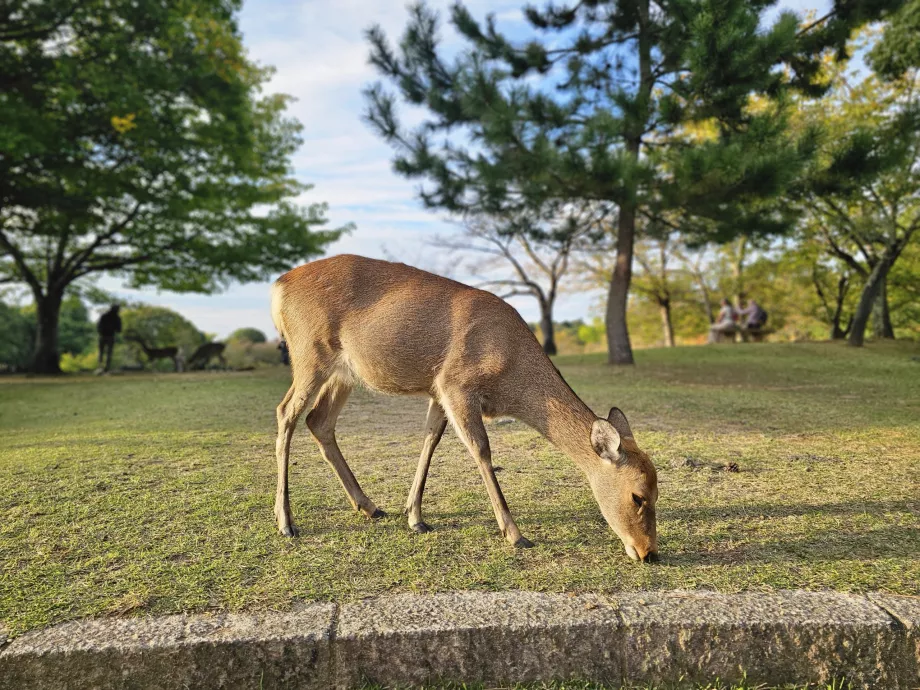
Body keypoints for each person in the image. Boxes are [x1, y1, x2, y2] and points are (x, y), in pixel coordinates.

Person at [96, 304, 122, 374]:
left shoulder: (104, 316)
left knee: (102, 352)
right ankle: (105, 367)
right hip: (109, 336)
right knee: (108, 353)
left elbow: (99, 326)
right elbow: (119, 329)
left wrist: (101, 331)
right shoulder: (116, 318)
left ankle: (101, 367)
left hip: (104, 336)